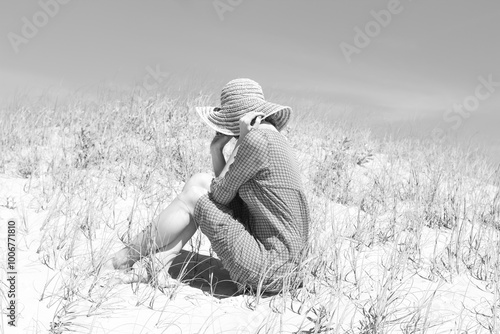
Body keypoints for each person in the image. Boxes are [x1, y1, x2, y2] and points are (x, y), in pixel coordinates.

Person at [109, 78, 310, 293]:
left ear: (239, 118)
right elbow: (222, 189)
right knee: (200, 181)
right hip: (287, 266)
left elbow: (220, 195)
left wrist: (240, 141)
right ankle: (160, 262)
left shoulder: (255, 140)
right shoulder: (273, 137)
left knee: (195, 196)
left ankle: (125, 257)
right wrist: (217, 150)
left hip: (270, 268)